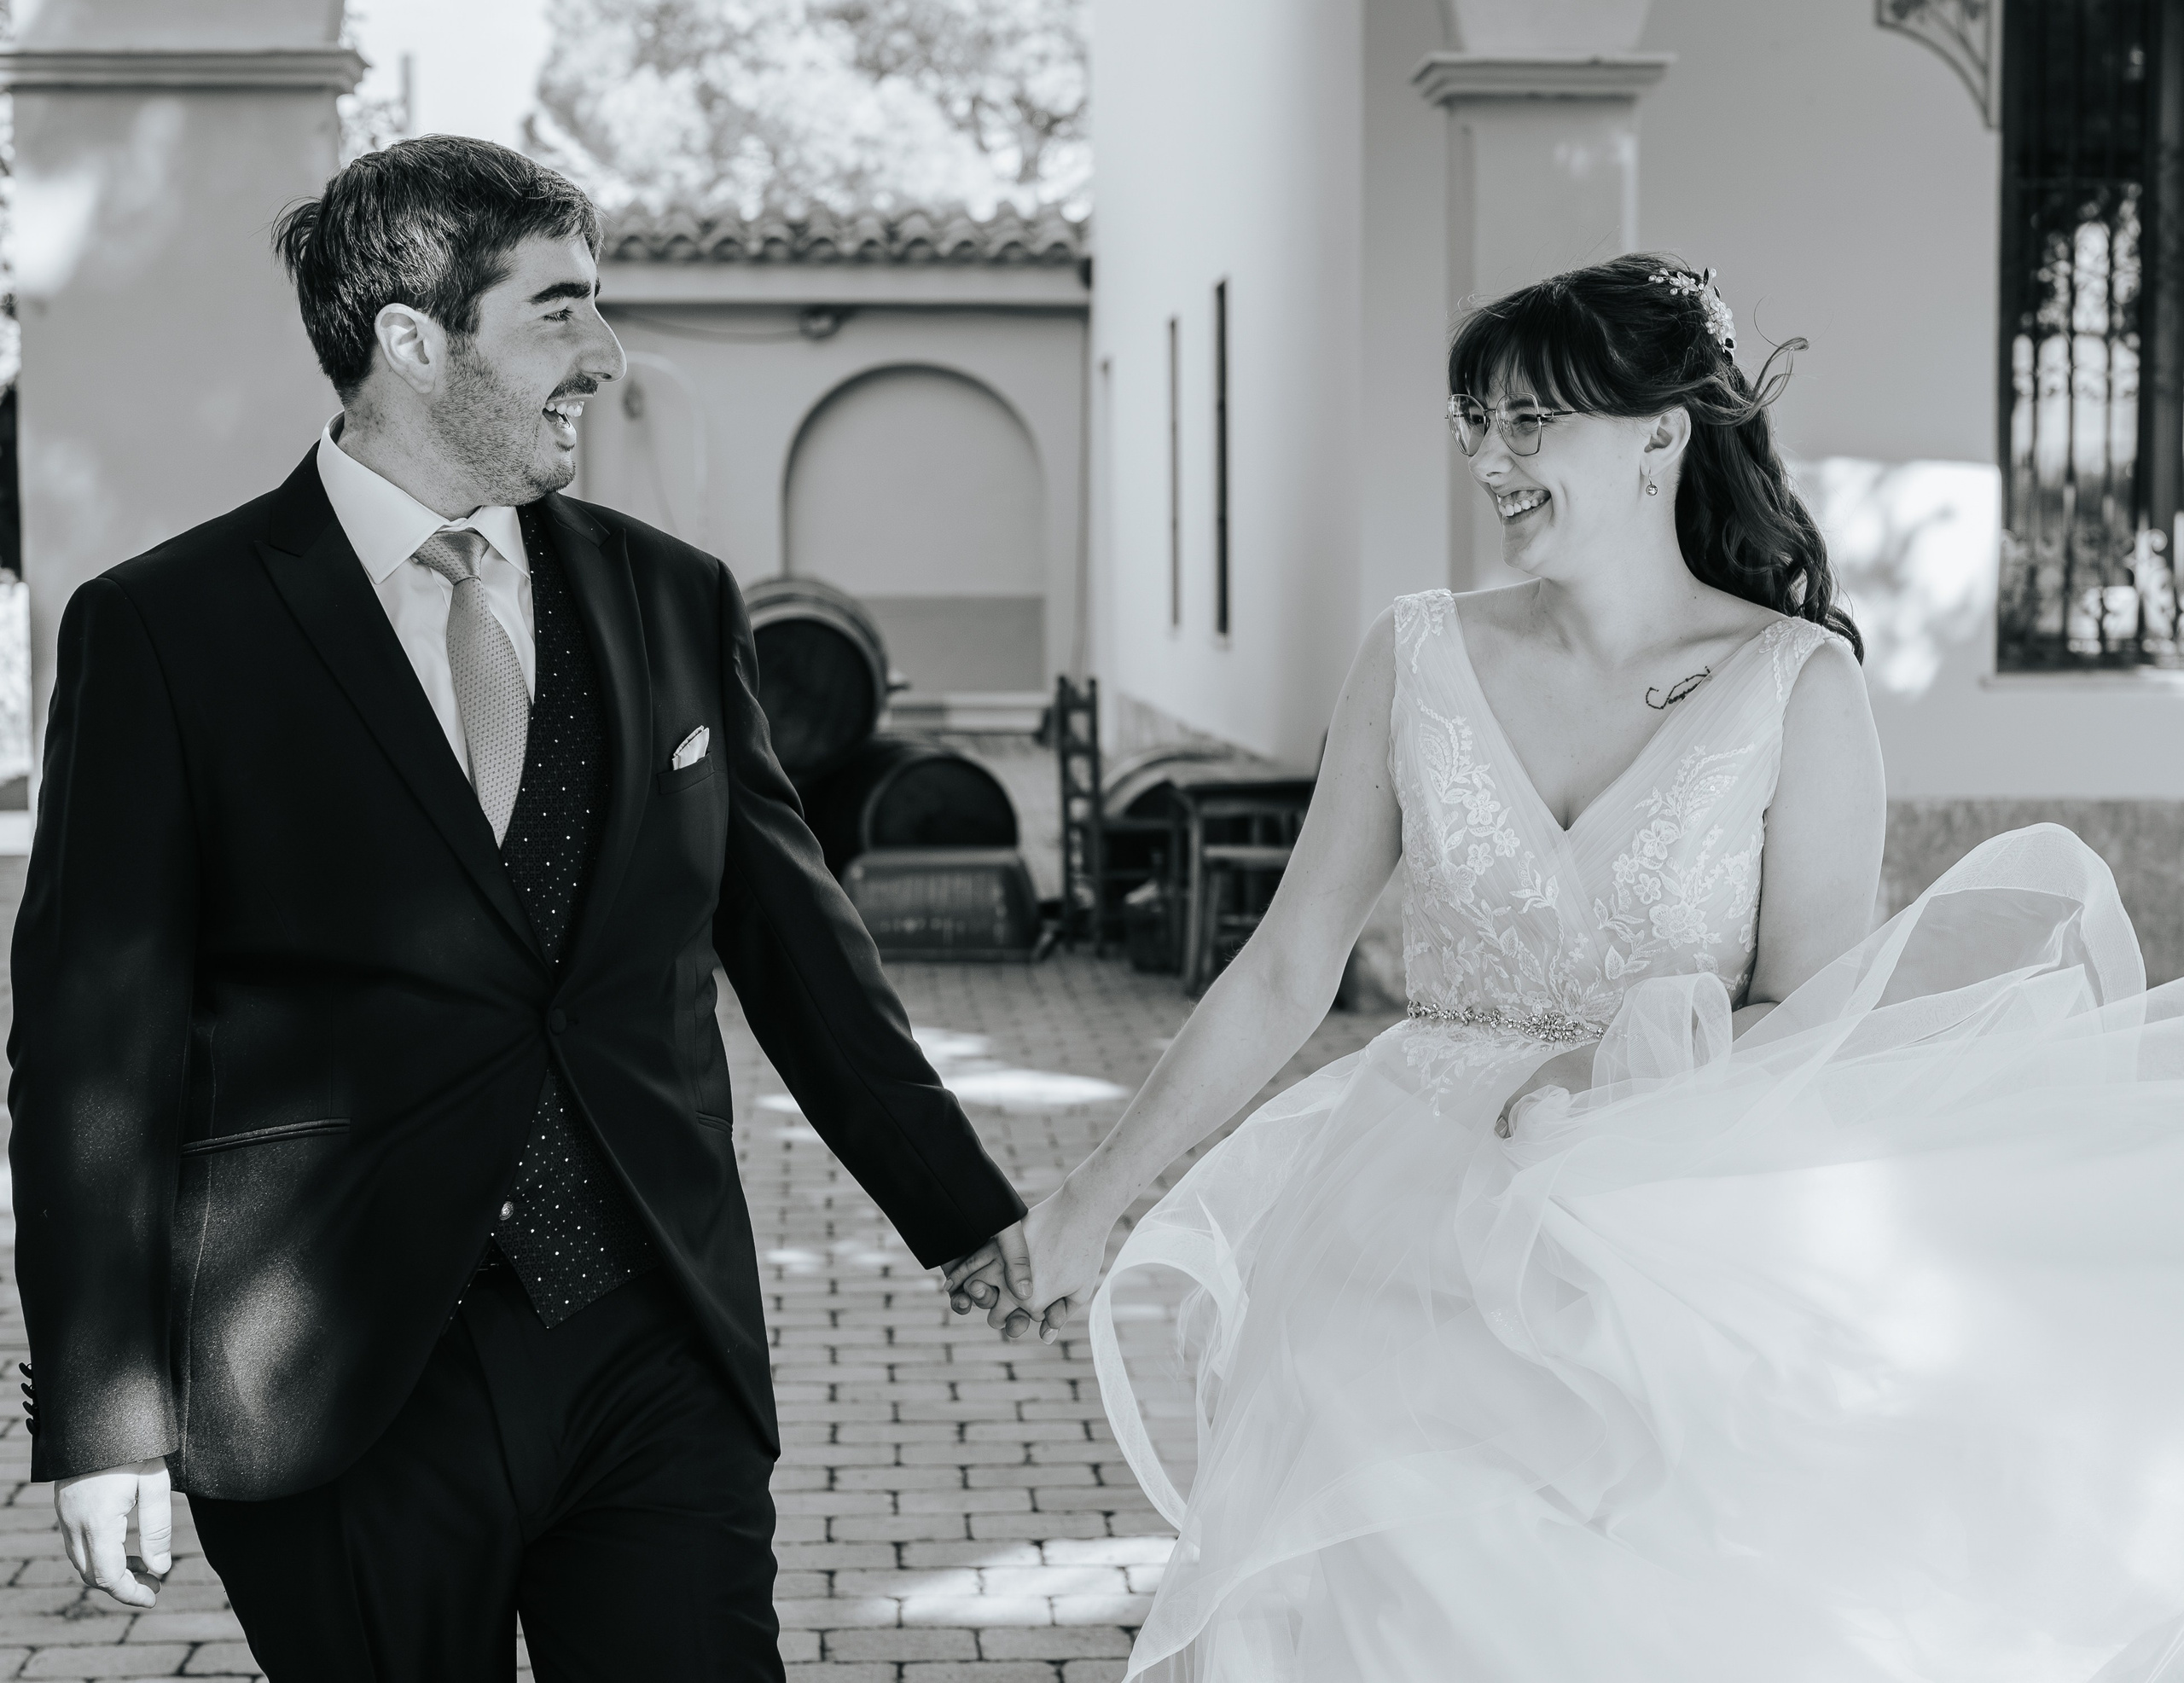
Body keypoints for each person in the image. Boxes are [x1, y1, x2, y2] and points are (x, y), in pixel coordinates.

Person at [950, 255, 2184, 1678]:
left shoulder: (1797, 684)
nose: (1493, 457)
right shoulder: (1415, 653)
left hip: (1660, 1253)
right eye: (1479, 421)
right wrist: (1088, 1206)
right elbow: (1288, 968)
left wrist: (1608, 1065)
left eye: (1534, 422)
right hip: (1401, 1218)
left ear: (1663, 432)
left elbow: (1811, 1014)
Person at [9, 135, 1033, 1681]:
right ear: (413, 341)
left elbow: (797, 944)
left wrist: (965, 1211)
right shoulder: (169, 629)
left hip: (649, 1341)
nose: (608, 358)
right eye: (560, 311)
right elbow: (94, 1051)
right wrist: (101, 1415)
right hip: (339, 1374)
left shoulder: (674, 599)